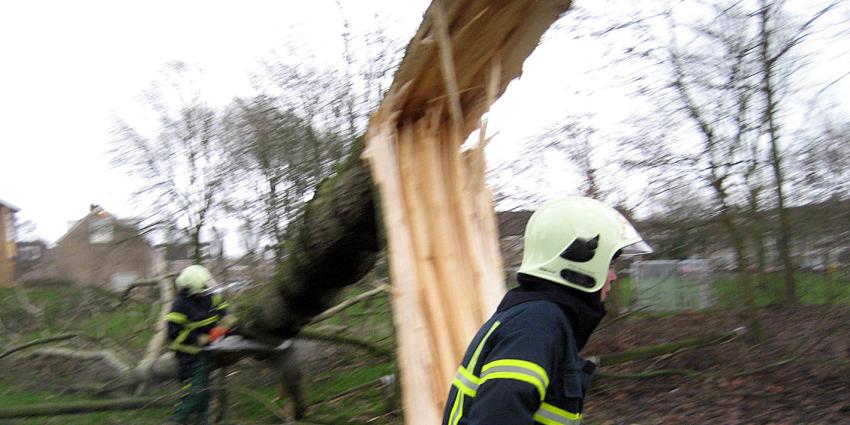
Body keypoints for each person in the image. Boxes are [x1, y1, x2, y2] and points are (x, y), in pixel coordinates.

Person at [442, 196, 652, 425]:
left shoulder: (540, 319)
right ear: (580, 261)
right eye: (610, 264)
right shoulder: (535, 326)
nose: (613, 276)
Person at [166, 264, 230, 425]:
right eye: (202, 291)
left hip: (208, 348)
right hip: (188, 353)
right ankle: (177, 421)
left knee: (205, 394)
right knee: (193, 392)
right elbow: (174, 334)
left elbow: (222, 307)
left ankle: (202, 420)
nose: (206, 294)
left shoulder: (209, 295)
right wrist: (199, 339)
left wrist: (229, 321)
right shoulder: (180, 304)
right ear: (189, 288)